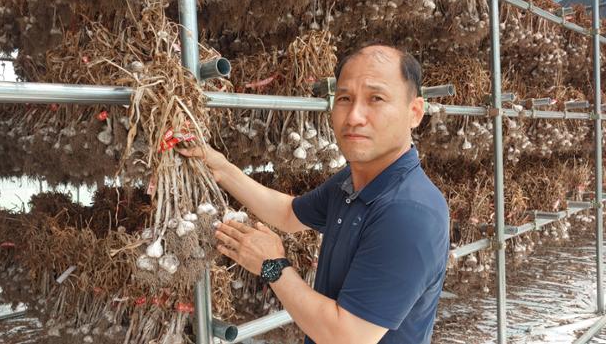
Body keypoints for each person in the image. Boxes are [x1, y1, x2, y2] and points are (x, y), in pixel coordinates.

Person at [179, 44, 449, 344]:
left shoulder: (409, 212)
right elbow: (288, 213)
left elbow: (348, 338)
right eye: (345, 98)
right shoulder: (353, 181)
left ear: (415, 112)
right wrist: (222, 168)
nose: (355, 116)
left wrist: (273, 266)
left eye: (376, 98)